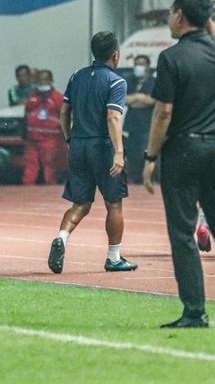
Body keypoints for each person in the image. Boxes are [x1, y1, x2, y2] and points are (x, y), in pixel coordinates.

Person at [142, 0, 215, 328]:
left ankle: (195, 311)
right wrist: (207, 12)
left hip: (183, 149)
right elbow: (214, 33)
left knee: (182, 232)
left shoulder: (171, 58)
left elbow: (163, 112)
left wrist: (150, 156)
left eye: (171, 12)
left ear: (179, 15)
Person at [47, 32, 136, 274]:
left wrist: (69, 138)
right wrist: (119, 151)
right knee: (114, 204)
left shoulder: (77, 76)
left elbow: (64, 112)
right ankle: (114, 258)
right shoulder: (116, 82)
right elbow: (113, 117)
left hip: (78, 145)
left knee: (81, 203)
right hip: (103, 147)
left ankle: (61, 238)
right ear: (115, 54)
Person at [22, 70, 66, 185]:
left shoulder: (58, 98)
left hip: (50, 140)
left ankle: (49, 196)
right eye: (40, 80)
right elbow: (26, 116)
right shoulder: (32, 98)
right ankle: (26, 194)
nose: (42, 82)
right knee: (30, 169)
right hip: (32, 140)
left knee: (50, 169)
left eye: (45, 80)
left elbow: (65, 118)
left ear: (51, 80)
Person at [123, 55, 156, 184]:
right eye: (137, 64)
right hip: (131, 126)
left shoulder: (154, 82)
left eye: (142, 64)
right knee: (132, 155)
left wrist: (135, 99)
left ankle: (147, 180)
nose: (138, 67)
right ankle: (134, 181)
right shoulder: (129, 81)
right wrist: (140, 97)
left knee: (145, 154)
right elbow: (123, 99)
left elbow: (152, 100)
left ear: (148, 66)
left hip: (147, 125)